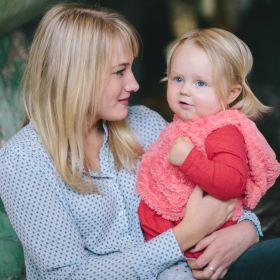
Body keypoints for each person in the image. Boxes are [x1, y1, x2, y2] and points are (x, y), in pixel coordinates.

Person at [0, 4, 263, 280]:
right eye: (119, 72)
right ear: (77, 77)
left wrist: (246, 231)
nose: (135, 84)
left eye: (131, 68)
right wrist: (183, 236)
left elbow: (218, 187)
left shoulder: (145, 124)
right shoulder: (22, 161)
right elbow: (68, 275)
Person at [136, 28, 280, 277]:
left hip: (199, 251)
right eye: (177, 79)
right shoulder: (182, 124)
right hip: (168, 245)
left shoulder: (223, 130)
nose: (185, 90)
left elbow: (232, 183)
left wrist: (189, 160)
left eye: (200, 83)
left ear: (231, 93)